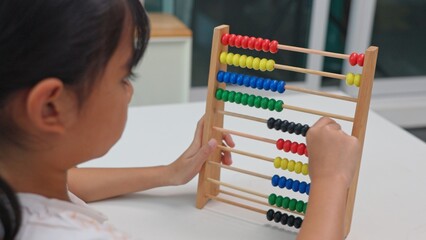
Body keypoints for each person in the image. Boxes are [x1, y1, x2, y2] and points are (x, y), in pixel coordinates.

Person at [0, 0, 360, 239]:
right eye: (125, 77)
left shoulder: (18, 177)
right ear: (50, 107)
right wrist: (330, 180)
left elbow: (69, 183)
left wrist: (170, 173)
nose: (129, 91)